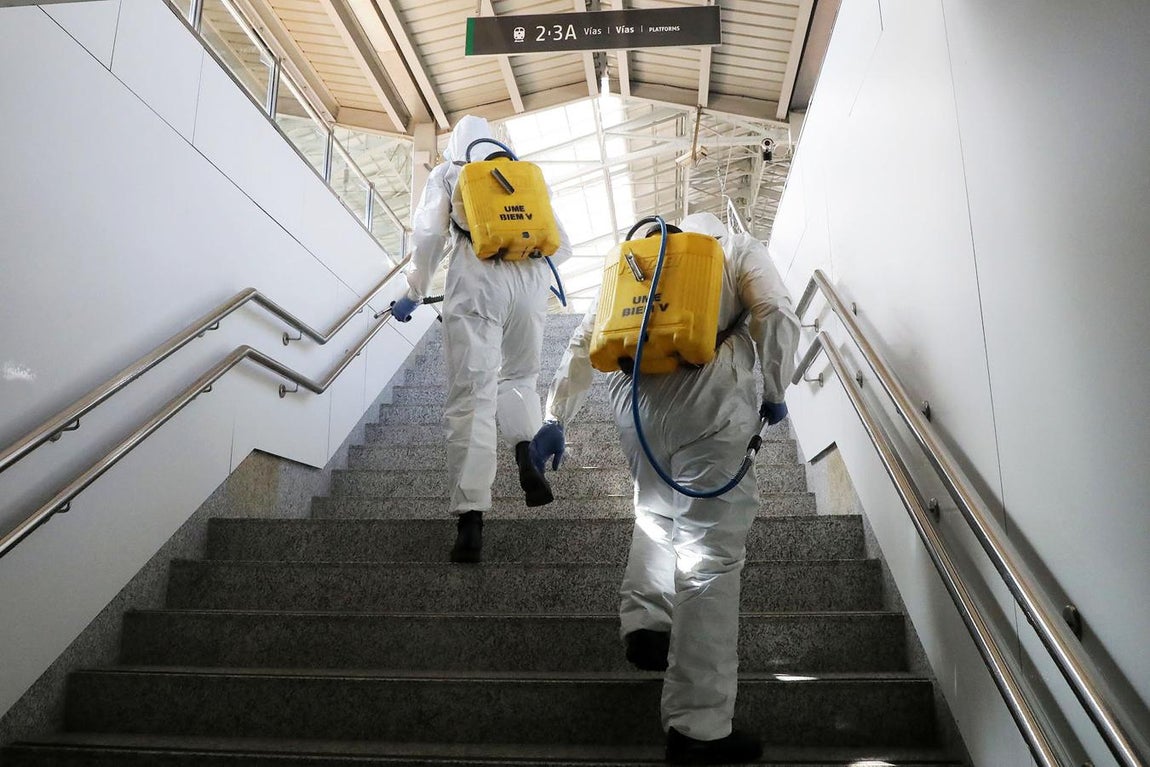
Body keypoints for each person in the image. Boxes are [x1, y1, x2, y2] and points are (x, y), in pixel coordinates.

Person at [530, 212, 800, 763]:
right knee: (709, 560)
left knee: (655, 515)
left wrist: (556, 416)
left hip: (633, 405)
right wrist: (775, 389)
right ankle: (698, 728)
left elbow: (585, 340)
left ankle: (647, 623)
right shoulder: (736, 248)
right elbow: (775, 311)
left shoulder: (635, 262)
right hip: (711, 400)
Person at [389, 115, 572, 564]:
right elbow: (563, 246)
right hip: (529, 289)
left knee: (472, 397)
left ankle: (471, 519)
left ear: (456, 144)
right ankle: (526, 447)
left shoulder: (449, 172)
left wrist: (414, 292)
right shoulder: (523, 174)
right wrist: (519, 250)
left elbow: (430, 235)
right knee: (521, 379)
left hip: (477, 283)